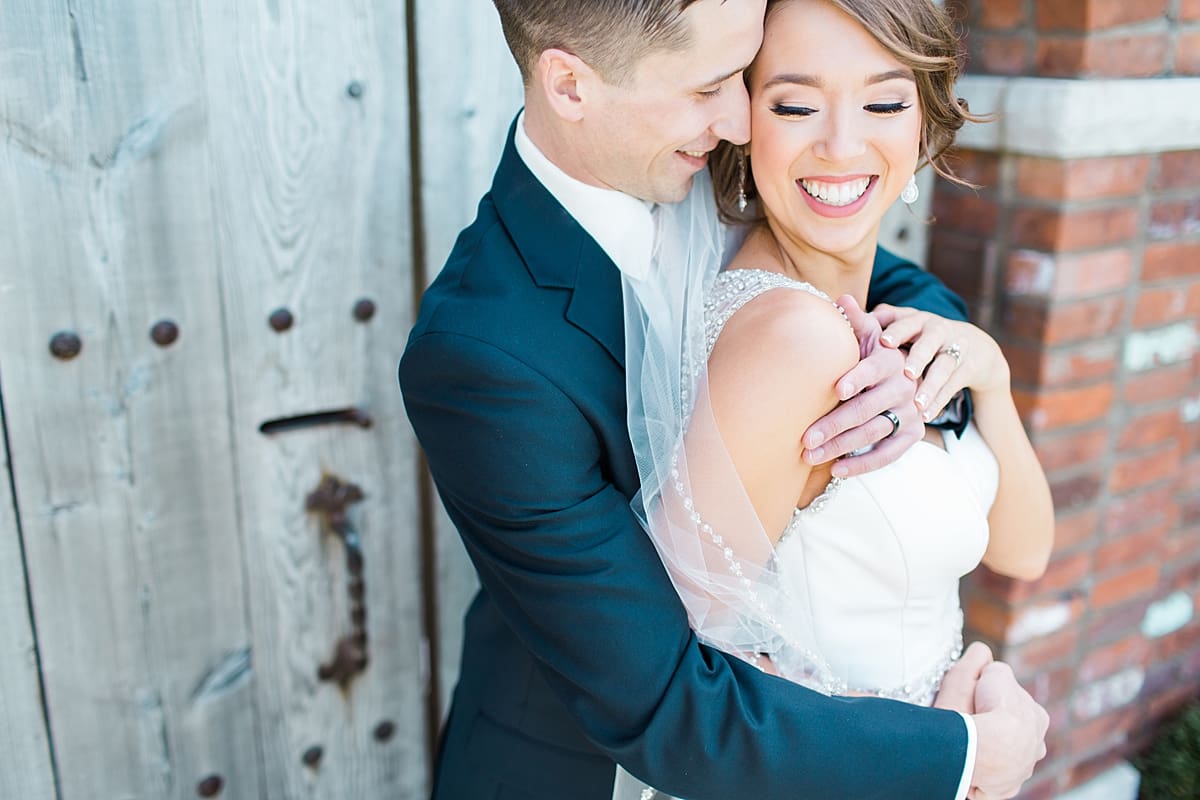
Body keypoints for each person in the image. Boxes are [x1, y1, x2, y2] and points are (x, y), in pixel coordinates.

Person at [399, 1, 1048, 798]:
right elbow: (667, 699)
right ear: (570, 85)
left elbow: (856, 256)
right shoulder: (481, 354)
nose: (741, 120)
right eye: (716, 85)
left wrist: (934, 360)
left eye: (747, 79)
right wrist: (964, 755)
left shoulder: (716, 171)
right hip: (576, 765)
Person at [617, 0, 1055, 797]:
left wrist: (991, 375)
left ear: (924, 125)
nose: (842, 145)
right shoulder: (792, 339)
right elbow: (673, 665)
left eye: (884, 103)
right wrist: (953, 748)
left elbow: (1021, 553)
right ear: (745, 123)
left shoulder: (891, 314)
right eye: (796, 105)